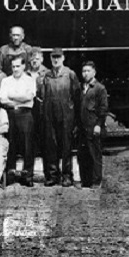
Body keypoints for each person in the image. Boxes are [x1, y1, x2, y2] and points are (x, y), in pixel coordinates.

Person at [41, 48, 81, 187]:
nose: (56, 60)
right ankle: (53, 175)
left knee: (66, 146)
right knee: (51, 146)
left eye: (58, 57)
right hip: (50, 115)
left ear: (63, 58)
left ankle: (67, 175)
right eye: (53, 57)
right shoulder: (47, 76)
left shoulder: (70, 74)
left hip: (66, 116)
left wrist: (75, 119)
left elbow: (77, 97)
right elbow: (43, 96)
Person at [0, 56, 37, 187]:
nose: (15, 69)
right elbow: (2, 99)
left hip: (25, 114)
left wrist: (12, 96)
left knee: (28, 145)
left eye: (18, 66)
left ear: (23, 67)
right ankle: (11, 175)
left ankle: (27, 176)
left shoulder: (30, 80)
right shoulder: (6, 81)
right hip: (10, 114)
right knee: (11, 144)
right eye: (13, 66)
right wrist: (19, 99)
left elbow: (29, 96)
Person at [78, 61, 109, 189]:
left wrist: (99, 124)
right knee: (83, 155)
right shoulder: (81, 87)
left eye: (88, 71)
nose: (85, 74)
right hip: (82, 126)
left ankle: (96, 181)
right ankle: (85, 181)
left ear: (94, 72)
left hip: (93, 125)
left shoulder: (99, 88)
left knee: (94, 154)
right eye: (83, 71)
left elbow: (103, 108)